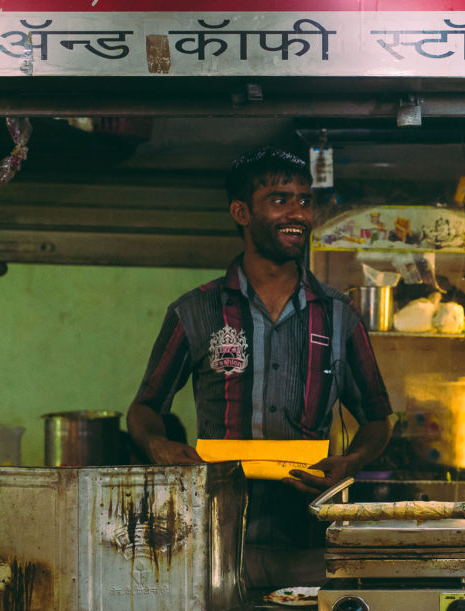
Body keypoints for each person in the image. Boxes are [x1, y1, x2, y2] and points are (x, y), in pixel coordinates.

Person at [128, 146, 392, 584]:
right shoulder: (196, 312)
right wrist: (160, 448)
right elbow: (144, 408)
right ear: (241, 212)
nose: (298, 213)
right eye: (279, 199)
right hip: (217, 544)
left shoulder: (339, 315)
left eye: (305, 200)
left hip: (310, 543)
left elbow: (378, 420)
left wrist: (352, 461)